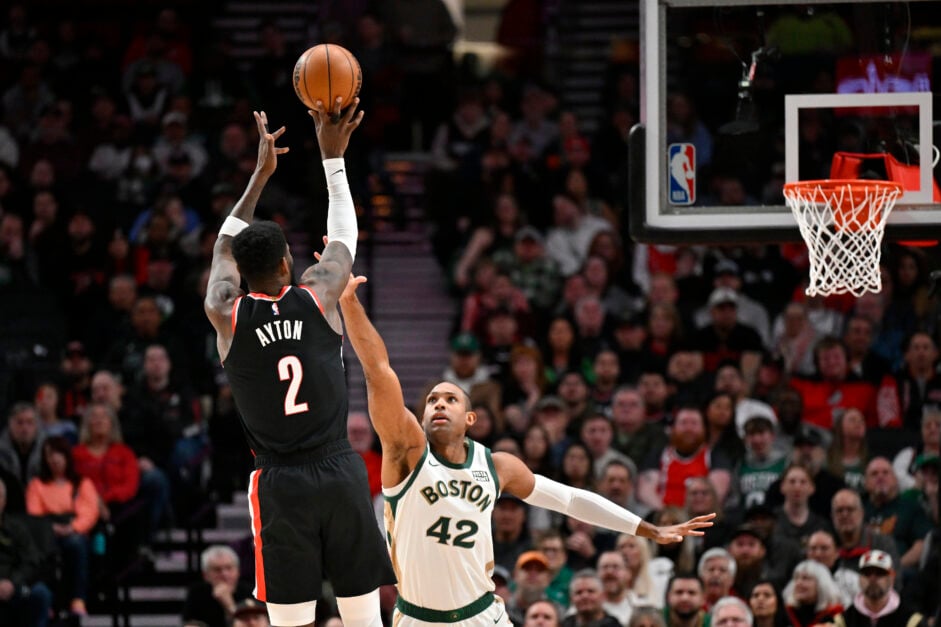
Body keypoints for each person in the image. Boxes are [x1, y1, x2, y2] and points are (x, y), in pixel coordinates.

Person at [337, 272, 715, 627]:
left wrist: (646, 529)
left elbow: (569, 500)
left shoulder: (497, 465)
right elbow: (378, 371)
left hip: (483, 614)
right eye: (432, 400)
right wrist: (350, 304)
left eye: (450, 399)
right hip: (419, 616)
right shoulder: (406, 454)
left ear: (470, 418)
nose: (438, 404)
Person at [202, 101, 395, 627]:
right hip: (339, 468)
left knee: (289, 622)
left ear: (241, 272)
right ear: (289, 263)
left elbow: (223, 243)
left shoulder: (226, 311)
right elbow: (345, 241)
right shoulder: (316, 296)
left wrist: (258, 177)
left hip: (279, 482)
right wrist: (333, 158)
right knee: (363, 619)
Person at [833, 551, 925, 627]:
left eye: (880, 573)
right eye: (867, 573)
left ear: (892, 578)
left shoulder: (911, 621)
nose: (872, 579)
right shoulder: (843, 621)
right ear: (859, 578)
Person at [182, 545, 254, 627]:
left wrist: (229, 605)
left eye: (229, 568)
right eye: (217, 570)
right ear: (205, 575)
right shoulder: (197, 593)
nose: (224, 574)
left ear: (238, 571)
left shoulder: (250, 592)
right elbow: (189, 623)